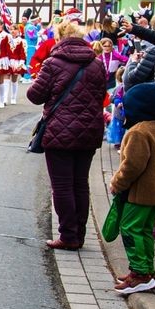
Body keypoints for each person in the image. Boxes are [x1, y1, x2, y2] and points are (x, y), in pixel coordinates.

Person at [27, 19, 107, 250]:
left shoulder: (53, 62)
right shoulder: (97, 63)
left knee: (62, 185)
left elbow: (35, 95)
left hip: (59, 130)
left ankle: (68, 235)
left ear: (60, 37)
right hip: (90, 129)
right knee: (80, 183)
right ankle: (80, 234)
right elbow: (101, 93)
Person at [108, 82, 155, 294]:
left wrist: (117, 184)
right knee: (144, 231)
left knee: (130, 229)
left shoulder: (138, 132)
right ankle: (146, 271)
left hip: (140, 193)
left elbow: (132, 166)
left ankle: (140, 273)